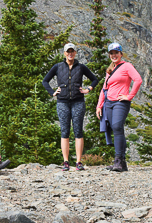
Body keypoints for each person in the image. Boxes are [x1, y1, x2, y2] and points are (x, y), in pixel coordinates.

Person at [42, 42, 99, 171]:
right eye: (68, 51)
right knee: (65, 132)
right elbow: (45, 81)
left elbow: (94, 79)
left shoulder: (81, 67)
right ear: (64, 53)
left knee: (78, 131)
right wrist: (52, 92)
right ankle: (66, 162)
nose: (70, 54)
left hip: (78, 102)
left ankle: (79, 162)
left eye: (72, 51)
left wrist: (88, 89)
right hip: (62, 102)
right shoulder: (58, 67)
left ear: (75, 53)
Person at [96, 42, 142, 172]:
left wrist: (130, 95)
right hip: (108, 103)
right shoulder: (110, 70)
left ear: (121, 54)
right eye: (111, 53)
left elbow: (138, 80)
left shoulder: (127, 66)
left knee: (117, 126)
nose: (114, 55)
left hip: (120, 102)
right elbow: (104, 89)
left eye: (116, 52)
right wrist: (99, 106)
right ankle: (121, 162)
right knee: (115, 130)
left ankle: (119, 161)